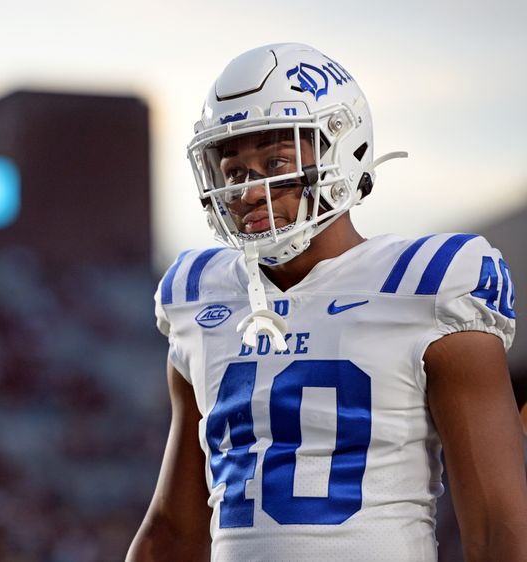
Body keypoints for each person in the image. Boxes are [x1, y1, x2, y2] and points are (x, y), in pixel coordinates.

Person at [127, 43, 527, 561]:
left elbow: (500, 527)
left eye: (275, 162)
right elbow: (173, 530)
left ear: (345, 151)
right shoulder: (198, 297)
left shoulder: (428, 284)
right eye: (234, 172)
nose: (250, 191)